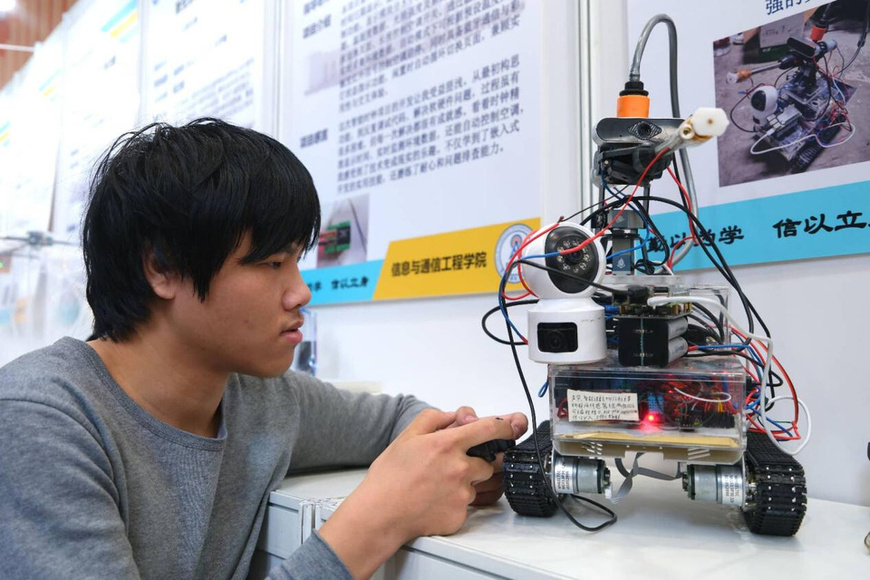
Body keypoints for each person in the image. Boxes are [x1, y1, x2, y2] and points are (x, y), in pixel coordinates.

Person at [0, 118, 527, 579]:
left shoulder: (261, 399)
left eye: (298, 261)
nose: (300, 292)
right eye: (272, 264)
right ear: (160, 267)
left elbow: (398, 418)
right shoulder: (41, 421)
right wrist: (378, 518)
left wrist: (460, 456)